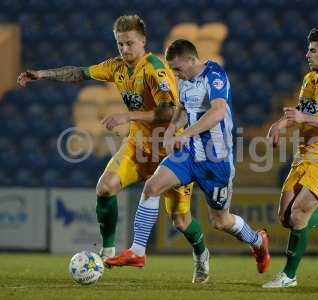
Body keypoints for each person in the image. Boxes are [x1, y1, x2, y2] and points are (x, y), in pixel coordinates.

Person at [17, 15, 210, 284]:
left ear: (143, 41)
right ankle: (107, 252)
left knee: (180, 222)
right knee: (105, 187)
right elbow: (80, 73)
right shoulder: (117, 67)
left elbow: (168, 113)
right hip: (137, 146)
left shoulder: (157, 70)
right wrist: (42, 74)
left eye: (130, 43)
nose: (125, 49)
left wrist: (128, 116)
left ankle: (201, 254)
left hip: (169, 150)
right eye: (120, 44)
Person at [107, 39, 271, 275]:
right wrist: (173, 129)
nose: (175, 74)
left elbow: (217, 112)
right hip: (190, 153)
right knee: (152, 187)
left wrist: (186, 134)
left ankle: (257, 241)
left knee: (220, 220)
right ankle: (137, 251)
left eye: (177, 68)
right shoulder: (184, 80)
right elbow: (183, 110)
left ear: (193, 60)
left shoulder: (214, 75)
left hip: (217, 162)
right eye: (172, 69)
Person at [262, 27, 318, 288]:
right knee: (285, 218)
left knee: (299, 216)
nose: (307, 55)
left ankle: (289, 276)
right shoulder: (310, 80)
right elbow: (299, 114)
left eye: (312, 50)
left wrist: (304, 118)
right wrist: (279, 126)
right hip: (302, 157)